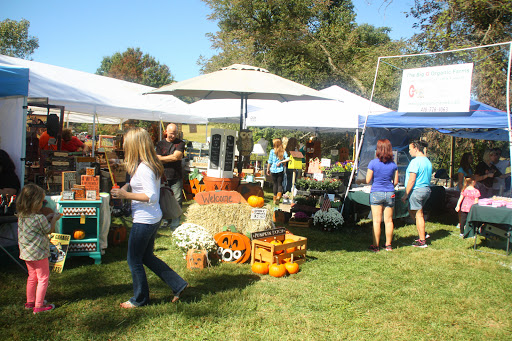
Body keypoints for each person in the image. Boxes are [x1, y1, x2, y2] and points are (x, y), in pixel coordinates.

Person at [111, 127, 187, 308]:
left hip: (145, 220)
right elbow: (139, 185)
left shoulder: (145, 167)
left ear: (134, 145)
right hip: (152, 218)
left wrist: (125, 196)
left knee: (134, 259)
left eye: (127, 143)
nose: (124, 146)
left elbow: (151, 196)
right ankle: (178, 284)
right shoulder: (147, 164)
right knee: (146, 257)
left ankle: (139, 299)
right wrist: (127, 187)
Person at [17, 184, 62, 314]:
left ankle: (30, 302)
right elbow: (49, 230)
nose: (43, 204)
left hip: (26, 253)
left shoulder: (22, 216)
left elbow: (37, 227)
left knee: (32, 277)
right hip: (39, 253)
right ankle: (39, 306)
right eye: (42, 201)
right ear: (35, 202)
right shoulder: (39, 218)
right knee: (43, 277)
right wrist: (54, 219)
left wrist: (47, 218)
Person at [364, 139, 398, 252]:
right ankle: (388, 245)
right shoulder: (393, 164)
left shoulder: (373, 163)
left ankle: (375, 246)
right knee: (389, 221)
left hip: (376, 192)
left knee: (377, 221)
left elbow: (368, 179)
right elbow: (396, 181)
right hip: (390, 193)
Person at [401, 140, 432, 248]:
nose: (409, 152)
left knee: (419, 215)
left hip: (417, 190)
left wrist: (405, 194)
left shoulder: (415, 161)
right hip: (426, 189)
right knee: (412, 210)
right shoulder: (427, 161)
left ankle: (422, 241)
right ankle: (422, 232)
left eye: (410, 149)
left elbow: (412, 180)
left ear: (416, 148)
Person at [156, 123, 185, 228]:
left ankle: (175, 223)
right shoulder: (160, 144)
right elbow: (157, 159)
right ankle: (165, 221)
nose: (173, 136)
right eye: (171, 133)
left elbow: (176, 157)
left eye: (175, 133)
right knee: (163, 200)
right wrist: (171, 157)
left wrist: (163, 159)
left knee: (177, 199)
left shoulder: (180, 143)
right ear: (166, 132)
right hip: (163, 176)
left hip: (176, 176)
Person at [266, 138, 289, 204]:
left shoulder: (272, 151)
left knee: (275, 184)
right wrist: (281, 162)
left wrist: (268, 169)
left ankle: (275, 199)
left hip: (273, 169)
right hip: (280, 170)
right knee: (280, 184)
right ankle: (279, 196)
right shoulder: (283, 151)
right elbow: (288, 158)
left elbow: (269, 161)